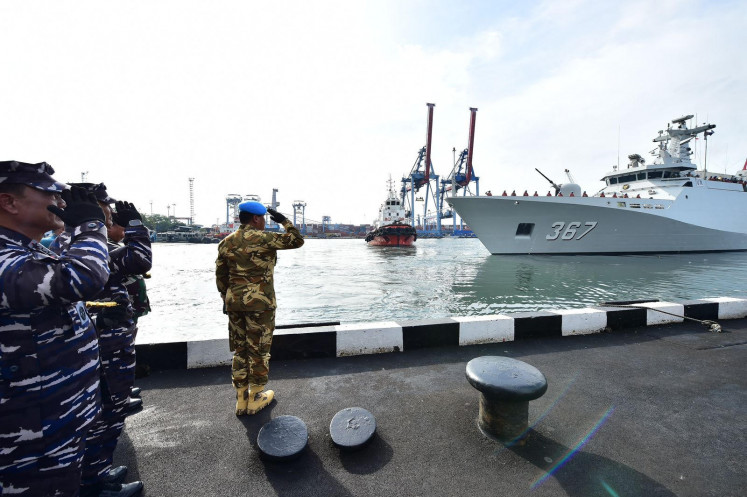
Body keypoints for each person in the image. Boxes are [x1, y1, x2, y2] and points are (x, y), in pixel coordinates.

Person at [0, 161, 110, 496]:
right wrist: (91, 225)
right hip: (27, 430)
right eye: (48, 194)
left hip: (53, 416)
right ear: (10, 202)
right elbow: (82, 278)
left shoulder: (28, 249)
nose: (60, 203)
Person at [53, 184, 151, 497]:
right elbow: (140, 260)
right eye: (104, 217)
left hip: (97, 342)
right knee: (105, 415)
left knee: (96, 415)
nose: (108, 223)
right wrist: (136, 228)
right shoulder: (88, 247)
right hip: (105, 347)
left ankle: (96, 474)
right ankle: (95, 483)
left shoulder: (62, 244)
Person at [215, 202, 303, 415]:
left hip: (234, 302)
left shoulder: (226, 242)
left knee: (240, 349)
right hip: (260, 304)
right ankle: (256, 397)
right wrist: (283, 220)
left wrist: (228, 297)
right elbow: (297, 240)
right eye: (263, 218)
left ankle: (241, 398)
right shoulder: (265, 239)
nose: (264, 222)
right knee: (259, 349)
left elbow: (220, 276)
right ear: (256, 219)